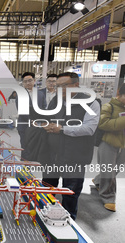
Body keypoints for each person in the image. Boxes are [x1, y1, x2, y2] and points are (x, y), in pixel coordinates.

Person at [42, 72, 100, 220]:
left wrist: (61, 128)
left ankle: (68, 222)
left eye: (63, 86)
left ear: (76, 85)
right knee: (47, 190)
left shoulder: (91, 102)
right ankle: (44, 217)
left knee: (70, 194)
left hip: (75, 157)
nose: (59, 89)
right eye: (58, 86)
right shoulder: (56, 100)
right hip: (53, 155)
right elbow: (47, 118)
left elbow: (89, 128)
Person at [92, 85, 125, 212]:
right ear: (119, 93)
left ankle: (99, 180)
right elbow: (103, 124)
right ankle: (109, 197)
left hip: (123, 145)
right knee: (109, 172)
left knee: (115, 170)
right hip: (108, 144)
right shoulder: (109, 106)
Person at [15, 72, 46, 159]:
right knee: (25, 146)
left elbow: (44, 108)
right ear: (23, 83)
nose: (28, 83)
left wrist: (41, 120)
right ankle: (25, 167)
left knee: (35, 145)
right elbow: (21, 110)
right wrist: (31, 121)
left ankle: (31, 164)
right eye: (25, 81)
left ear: (34, 81)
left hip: (38, 125)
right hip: (24, 125)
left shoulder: (40, 94)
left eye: (30, 80)